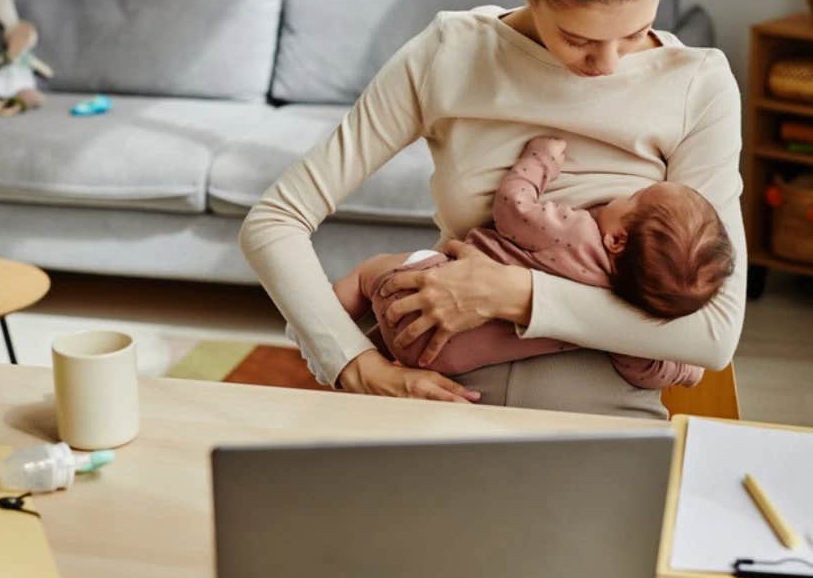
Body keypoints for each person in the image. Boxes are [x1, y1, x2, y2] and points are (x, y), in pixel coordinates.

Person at [239, 0, 745, 419]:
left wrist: (514, 294)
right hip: (431, 393)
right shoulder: (450, 53)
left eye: (634, 33)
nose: (606, 66)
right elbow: (274, 221)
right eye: (579, 38)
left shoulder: (698, 83)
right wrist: (353, 364)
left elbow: (713, 332)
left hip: (600, 414)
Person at [286, 135, 735, 390]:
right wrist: (684, 368)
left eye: (634, 197)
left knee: (371, 273)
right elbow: (645, 370)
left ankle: (312, 324)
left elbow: (513, 207)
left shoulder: (575, 233)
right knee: (398, 336)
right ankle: (371, 354)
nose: (624, 194)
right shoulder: (621, 322)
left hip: (417, 286)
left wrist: (540, 160)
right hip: (443, 359)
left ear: (617, 239)